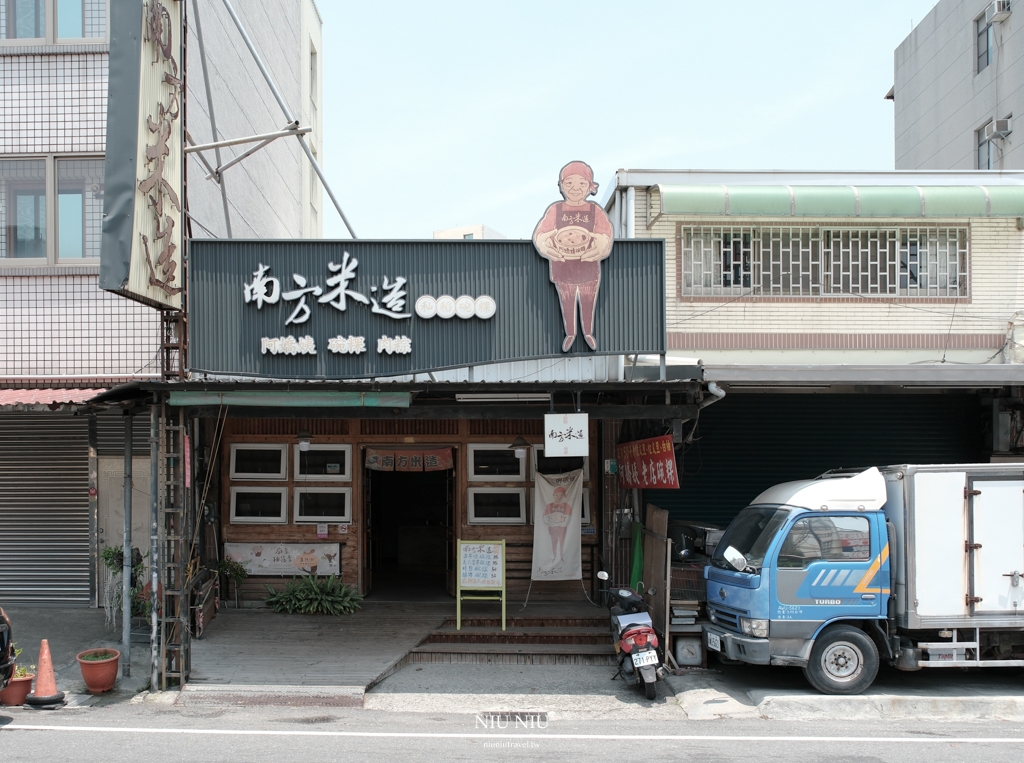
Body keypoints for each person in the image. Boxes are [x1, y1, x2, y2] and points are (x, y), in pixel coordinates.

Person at [532, 161, 614, 352]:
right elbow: (541, 232)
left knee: (588, 299)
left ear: (589, 186)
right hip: (562, 265)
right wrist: (545, 243)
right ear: (561, 185)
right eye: (569, 183)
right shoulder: (555, 210)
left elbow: (605, 232)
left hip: (589, 265)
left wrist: (601, 243)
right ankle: (570, 333)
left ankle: (588, 332)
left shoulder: (595, 211)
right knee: (566, 300)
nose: (575, 188)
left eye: (581, 183)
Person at [543, 486, 573, 565]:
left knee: (563, 542)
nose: (558, 497)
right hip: (552, 529)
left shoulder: (567, 506)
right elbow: (545, 517)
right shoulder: (549, 506)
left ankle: (562, 557)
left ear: (564, 496)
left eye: (561, 495)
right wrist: (551, 523)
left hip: (563, 529)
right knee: (553, 543)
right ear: (553, 495)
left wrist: (561, 524)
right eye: (556, 495)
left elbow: (568, 518)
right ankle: (554, 557)